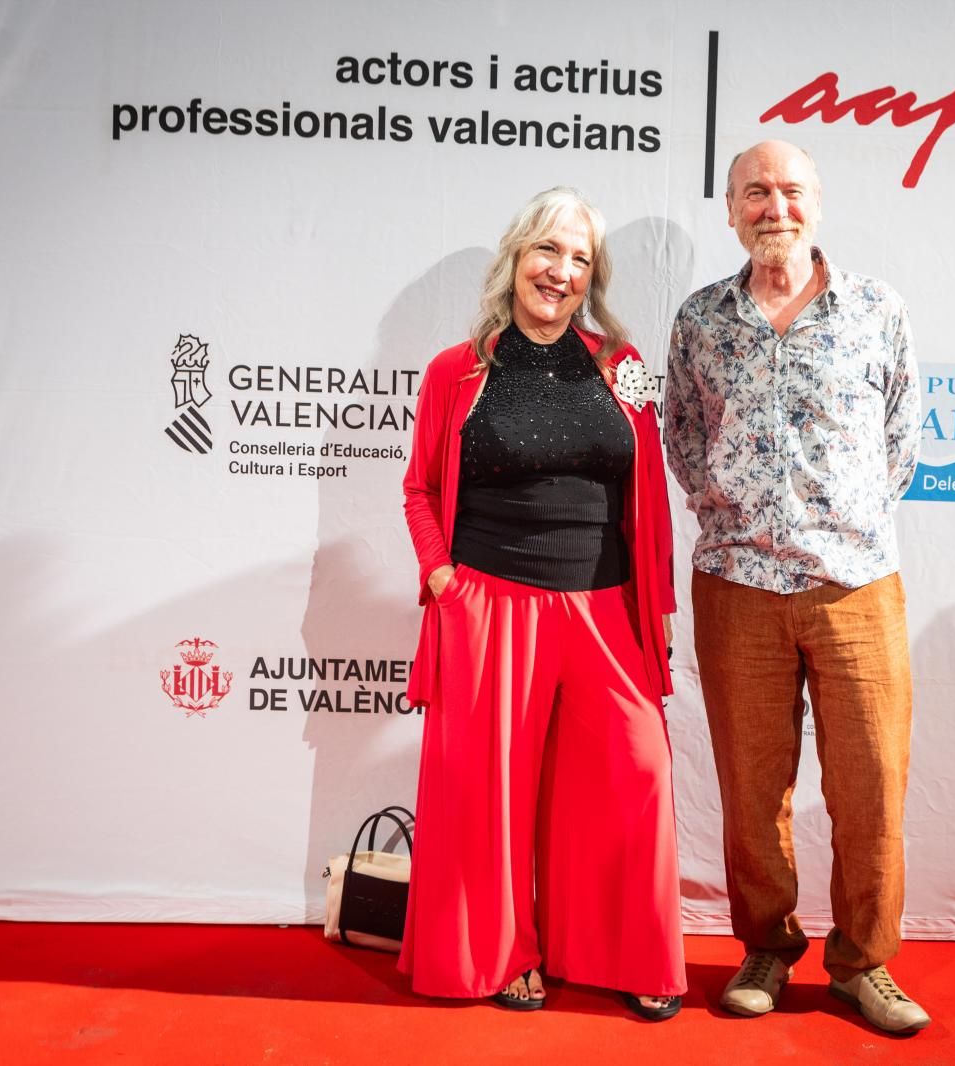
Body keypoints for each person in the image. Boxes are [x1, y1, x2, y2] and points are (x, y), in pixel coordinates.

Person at [396, 186, 685, 1021]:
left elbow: (647, 496)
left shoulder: (618, 364)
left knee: (638, 773)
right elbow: (419, 490)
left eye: (579, 258)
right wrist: (443, 580)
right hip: (489, 606)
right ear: (517, 257)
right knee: (491, 798)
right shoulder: (459, 371)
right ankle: (507, 956)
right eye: (547, 251)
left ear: (592, 276)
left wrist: (651, 606)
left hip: (603, 609)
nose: (560, 272)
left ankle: (632, 954)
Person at [664, 141, 928, 1034]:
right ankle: (767, 947)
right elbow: (682, 436)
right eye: (755, 192)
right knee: (752, 784)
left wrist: (837, 524)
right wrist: (732, 516)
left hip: (856, 585)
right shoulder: (701, 318)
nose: (774, 205)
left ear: (817, 203)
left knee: (872, 783)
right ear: (732, 210)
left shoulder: (878, 310)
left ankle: (864, 964)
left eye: (790, 190)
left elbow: (902, 440)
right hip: (736, 584)